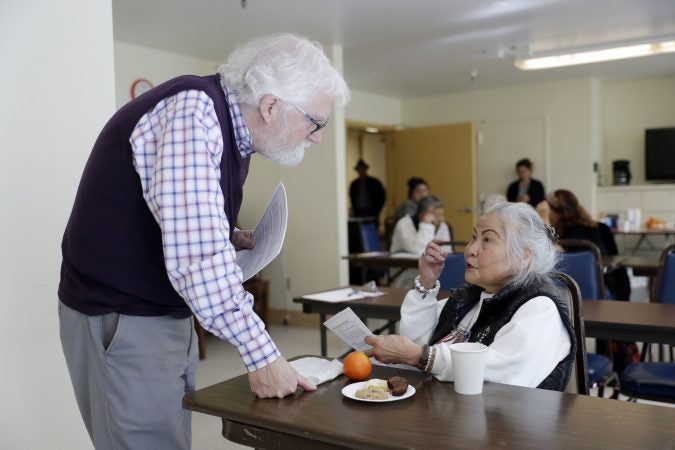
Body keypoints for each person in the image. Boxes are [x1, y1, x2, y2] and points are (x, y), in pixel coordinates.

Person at [58, 33, 349, 449]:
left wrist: (226, 232)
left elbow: (167, 205)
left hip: (160, 309)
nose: (317, 135)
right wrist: (264, 357)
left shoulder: (230, 128)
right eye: (315, 122)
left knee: (171, 436)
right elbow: (199, 259)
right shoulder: (193, 113)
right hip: (123, 315)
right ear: (270, 106)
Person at [365, 202, 575, 391]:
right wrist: (426, 283)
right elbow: (416, 340)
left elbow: (498, 375)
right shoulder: (473, 297)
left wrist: (418, 356)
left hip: (504, 430)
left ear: (524, 257)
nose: (470, 250)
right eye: (474, 237)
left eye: (487, 240)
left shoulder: (540, 310)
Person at [389, 195, 453, 288]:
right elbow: (421, 251)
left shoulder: (442, 225)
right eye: (437, 216)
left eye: (442, 215)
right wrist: (426, 225)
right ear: (422, 215)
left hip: (435, 279)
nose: (442, 219)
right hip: (404, 280)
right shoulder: (404, 224)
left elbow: (447, 253)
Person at [349, 159, 386, 224]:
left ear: (365, 170)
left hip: (372, 212)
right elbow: (352, 198)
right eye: (359, 170)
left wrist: (377, 210)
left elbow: (382, 197)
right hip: (359, 212)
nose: (361, 171)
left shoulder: (375, 182)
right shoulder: (354, 184)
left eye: (362, 169)